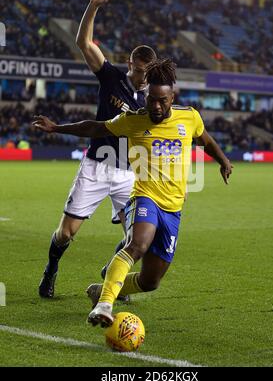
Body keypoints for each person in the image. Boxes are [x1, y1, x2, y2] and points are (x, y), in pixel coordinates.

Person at [33, 59, 233, 327]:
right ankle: (104, 305)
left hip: (173, 209)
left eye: (162, 100)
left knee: (150, 282)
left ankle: (100, 289)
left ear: (172, 97)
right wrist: (58, 128)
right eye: (152, 100)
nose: (157, 106)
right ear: (146, 96)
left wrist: (223, 161)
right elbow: (95, 126)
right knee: (136, 244)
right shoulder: (133, 120)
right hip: (144, 196)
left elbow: (205, 140)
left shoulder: (190, 117)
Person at [38, 0, 157, 298]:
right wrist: (93, 5)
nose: (145, 77)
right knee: (66, 233)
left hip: (128, 174)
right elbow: (84, 41)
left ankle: (112, 273)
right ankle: (51, 270)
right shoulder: (111, 76)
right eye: (141, 70)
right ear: (131, 63)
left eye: (150, 72)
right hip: (96, 166)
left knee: (140, 239)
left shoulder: (151, 102)